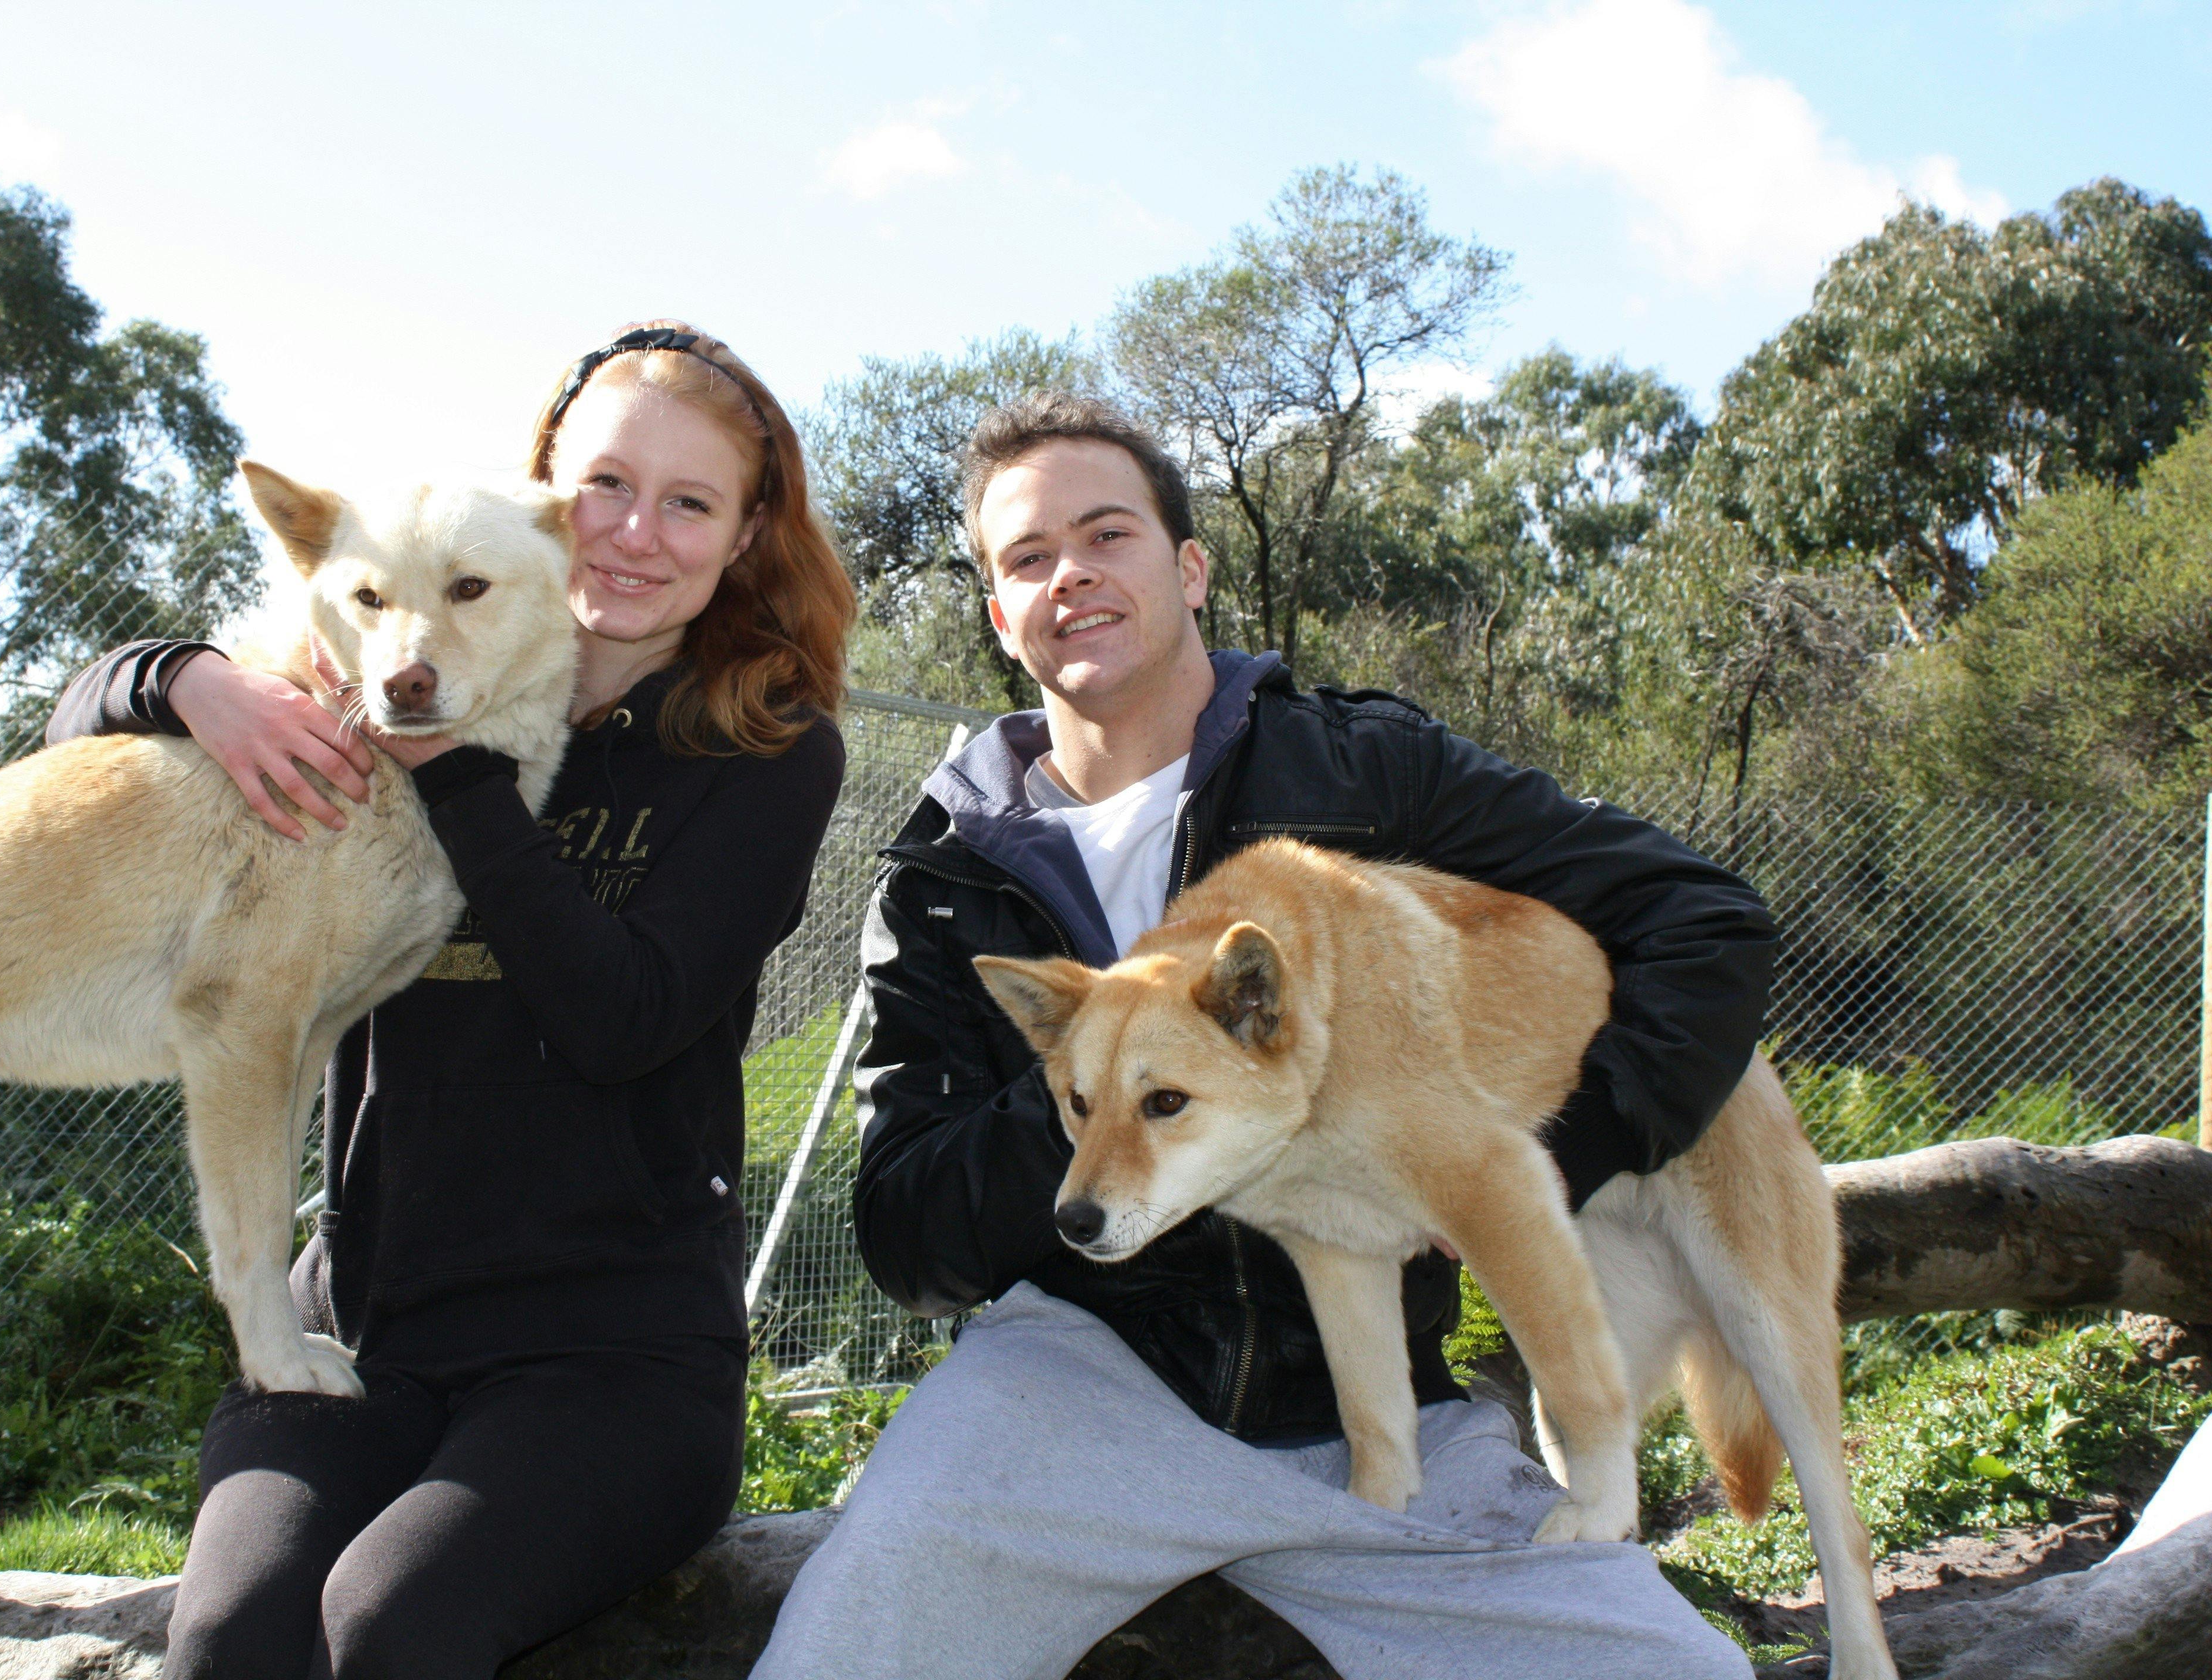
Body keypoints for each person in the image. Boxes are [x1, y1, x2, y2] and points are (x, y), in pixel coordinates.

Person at [752, 393, 1770, 1680]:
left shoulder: (1363, 772)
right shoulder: (944, 878)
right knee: (847, 1645)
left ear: (1190, 567)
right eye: (1025, 559)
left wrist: (1569, 1151)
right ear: (1001, 619)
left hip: (1379, 1411)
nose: (1069, 572)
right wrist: (1107, 1066)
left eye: (1107, 533)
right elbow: (911, 1237)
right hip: (1067, 1390)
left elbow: (1701, 919)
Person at [47, 322, 855, 1680]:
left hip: (616, 1359)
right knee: (237, 1642)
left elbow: (624, 1018)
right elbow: (85, 757)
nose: (632, 534)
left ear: (746, 533)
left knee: (392, 1620)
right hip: (363, 1329)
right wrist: (184, 681)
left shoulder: (763, 748)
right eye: (605, 485)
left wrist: (455, 769)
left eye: (691, 502)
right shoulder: (371, 657)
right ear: (541, 492)